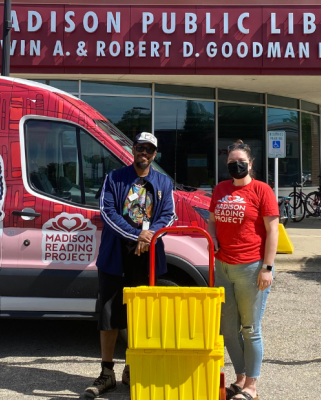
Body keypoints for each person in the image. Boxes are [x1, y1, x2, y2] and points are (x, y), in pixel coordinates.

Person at [84, 132, 176, 398]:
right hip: (115, 255)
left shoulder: (163, 182)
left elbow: (169, 216)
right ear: (133, 150)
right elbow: (107, 212)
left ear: (155, 154)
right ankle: (106, 373)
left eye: (149, 149)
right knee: (109, 315)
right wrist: (137, 235)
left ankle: (132, 369)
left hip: (147, 256)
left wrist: (149, 237)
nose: (143, 153)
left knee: (141, 316)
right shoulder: (114, 178)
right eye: (139, 147)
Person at [207, 140, 279, 400]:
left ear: (250, 164)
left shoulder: (262, 190)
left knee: (250, 328)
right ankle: (239, 378)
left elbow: (273, 231)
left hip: (251, 268)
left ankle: (251, 386)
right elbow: (212, 221)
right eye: (231, 163)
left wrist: (267, 268)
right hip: (223, 266)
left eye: (240, 162)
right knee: (228, 328)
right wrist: (212, 237)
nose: (236, 166)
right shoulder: (220, 189)